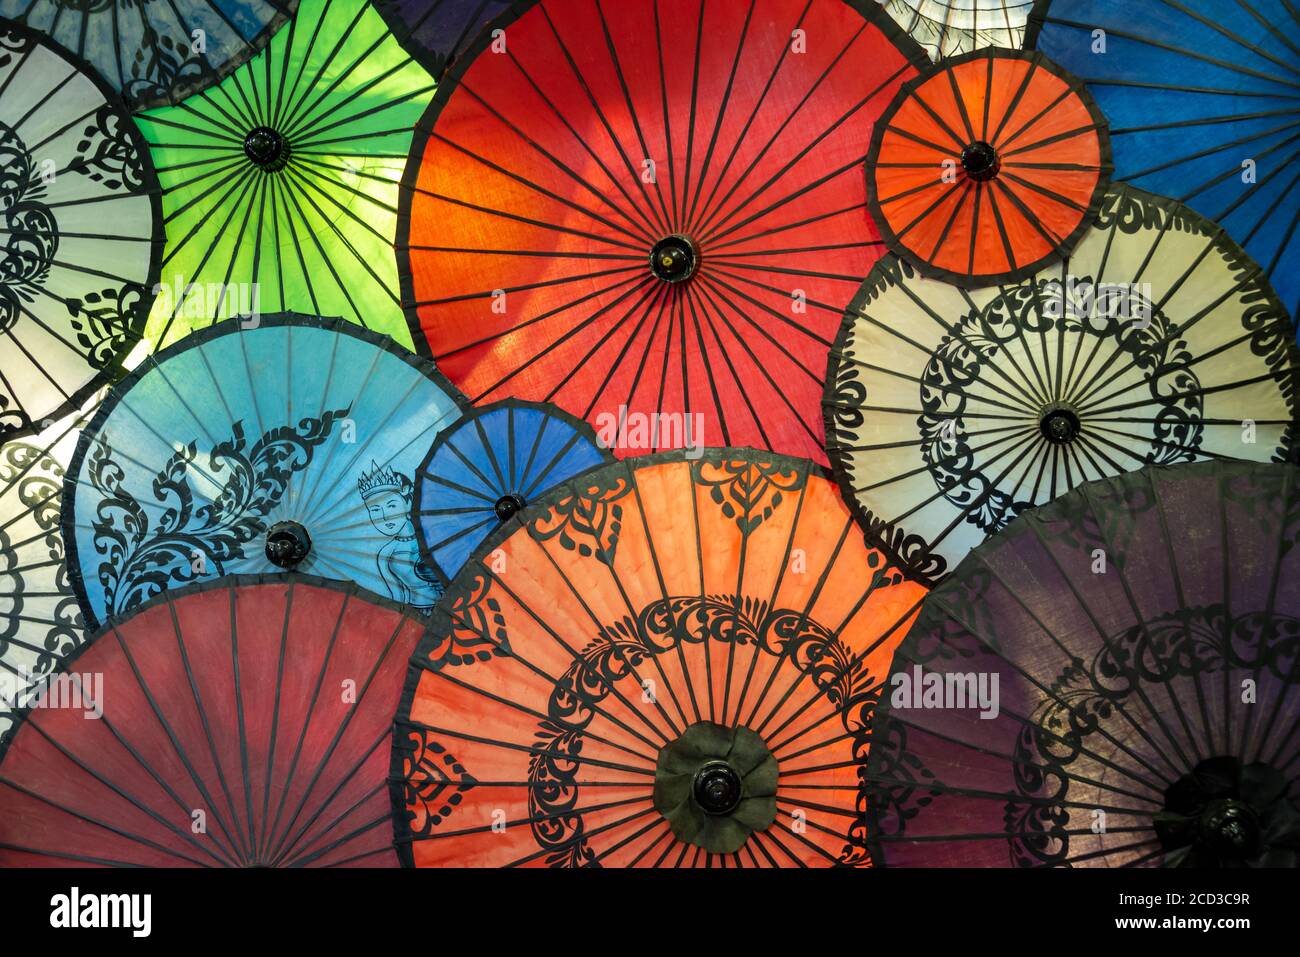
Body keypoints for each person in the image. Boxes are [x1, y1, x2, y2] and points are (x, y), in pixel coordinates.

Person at [357, 460, 443, 614]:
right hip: (417, 615)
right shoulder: (386, 554)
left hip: (452, 604)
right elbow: (396, 598)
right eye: (375, 510)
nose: (385, 516)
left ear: (408, 502)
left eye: (391, 506)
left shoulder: (434, 537)